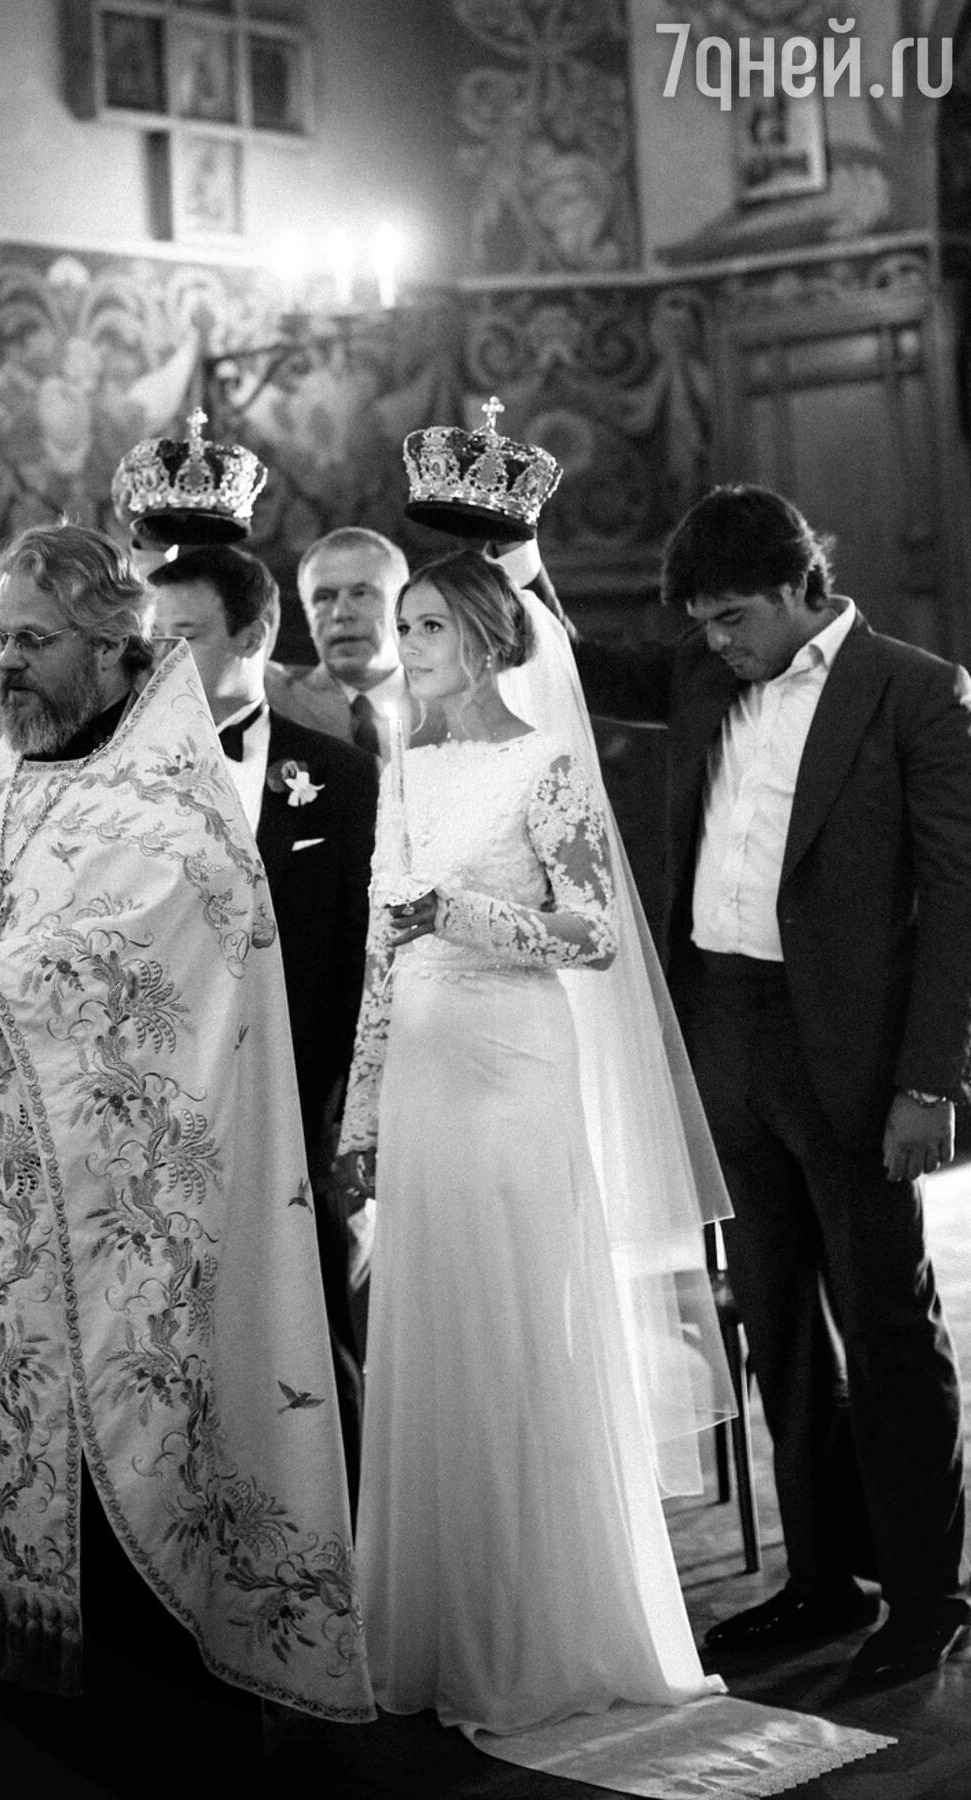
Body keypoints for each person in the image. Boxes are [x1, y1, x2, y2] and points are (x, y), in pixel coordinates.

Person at [0, 523, 373, 1781]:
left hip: (98, 1232)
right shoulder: (5, 774)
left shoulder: (176, 800)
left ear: (107, 644)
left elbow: (151, 945)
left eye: (30, 641)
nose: (6, 665)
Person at [334, 549, 738, 1761]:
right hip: (420, 1076)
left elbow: (594, 932)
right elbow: (379, 951)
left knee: (514, 1325)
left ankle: (533, 1628)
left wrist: (462, 915)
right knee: (433, 1328)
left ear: (486, 638)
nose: (408, 646)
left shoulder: (546, 767)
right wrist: (361, 1115)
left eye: (429, 627)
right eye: (405, 626)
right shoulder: (405, 769)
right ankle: (438, 1624)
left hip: (515, 1067)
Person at [567, 484, 971, 1687]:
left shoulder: (914, 690)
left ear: (804, 585)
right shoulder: (706, 672)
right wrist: (518, 556)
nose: (718, 642)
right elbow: (578, 665)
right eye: (701, 622)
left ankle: (926, 1597)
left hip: (849, 1050)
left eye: (735, 616)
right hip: (723, 1034)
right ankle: (820, 1578)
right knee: (779, 1329)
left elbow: (960, 902)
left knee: (885, 1325)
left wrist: (931, 1083)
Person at [146, 544, 379, 1509]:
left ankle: (340, 1531)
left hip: (303, 1102)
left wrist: (347, 1109)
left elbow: (363, 956)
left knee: (316, 1327)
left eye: (186, 637)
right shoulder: (117, 781)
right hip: (162, 1103)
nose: (162, 660)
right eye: (153, 640)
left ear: (255, 634)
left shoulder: (341, 777)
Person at [266, 526, 410, 761]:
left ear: (404, 604)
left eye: (361, 593)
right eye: (323, 597)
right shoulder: (273, 701)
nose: (341, 613)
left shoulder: (452, 704)